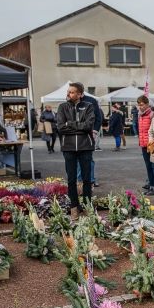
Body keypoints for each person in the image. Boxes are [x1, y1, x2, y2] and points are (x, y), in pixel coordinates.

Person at [57, 82, 95, 220]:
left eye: (72, 92)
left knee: (87, 179)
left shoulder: (88, 106)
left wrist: (71, 124)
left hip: (85, 146)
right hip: (69, 147)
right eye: (68, 91)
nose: (69, 94)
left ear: (80, 94)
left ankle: (87, 206)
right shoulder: (62, 107)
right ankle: (74, 207)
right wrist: (79, 126)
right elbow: (61, 127)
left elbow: (88, 125)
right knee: (71, 179)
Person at [137, 95, 154, 193]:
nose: (140, 107)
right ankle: (151, 182)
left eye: (142, 105)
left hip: (151, 144)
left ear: (147, 104)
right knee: (148, 165)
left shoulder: (152, 115)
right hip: (143, 144)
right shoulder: (140, 115)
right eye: (139, 105)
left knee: (153, 166)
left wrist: (151, 142)